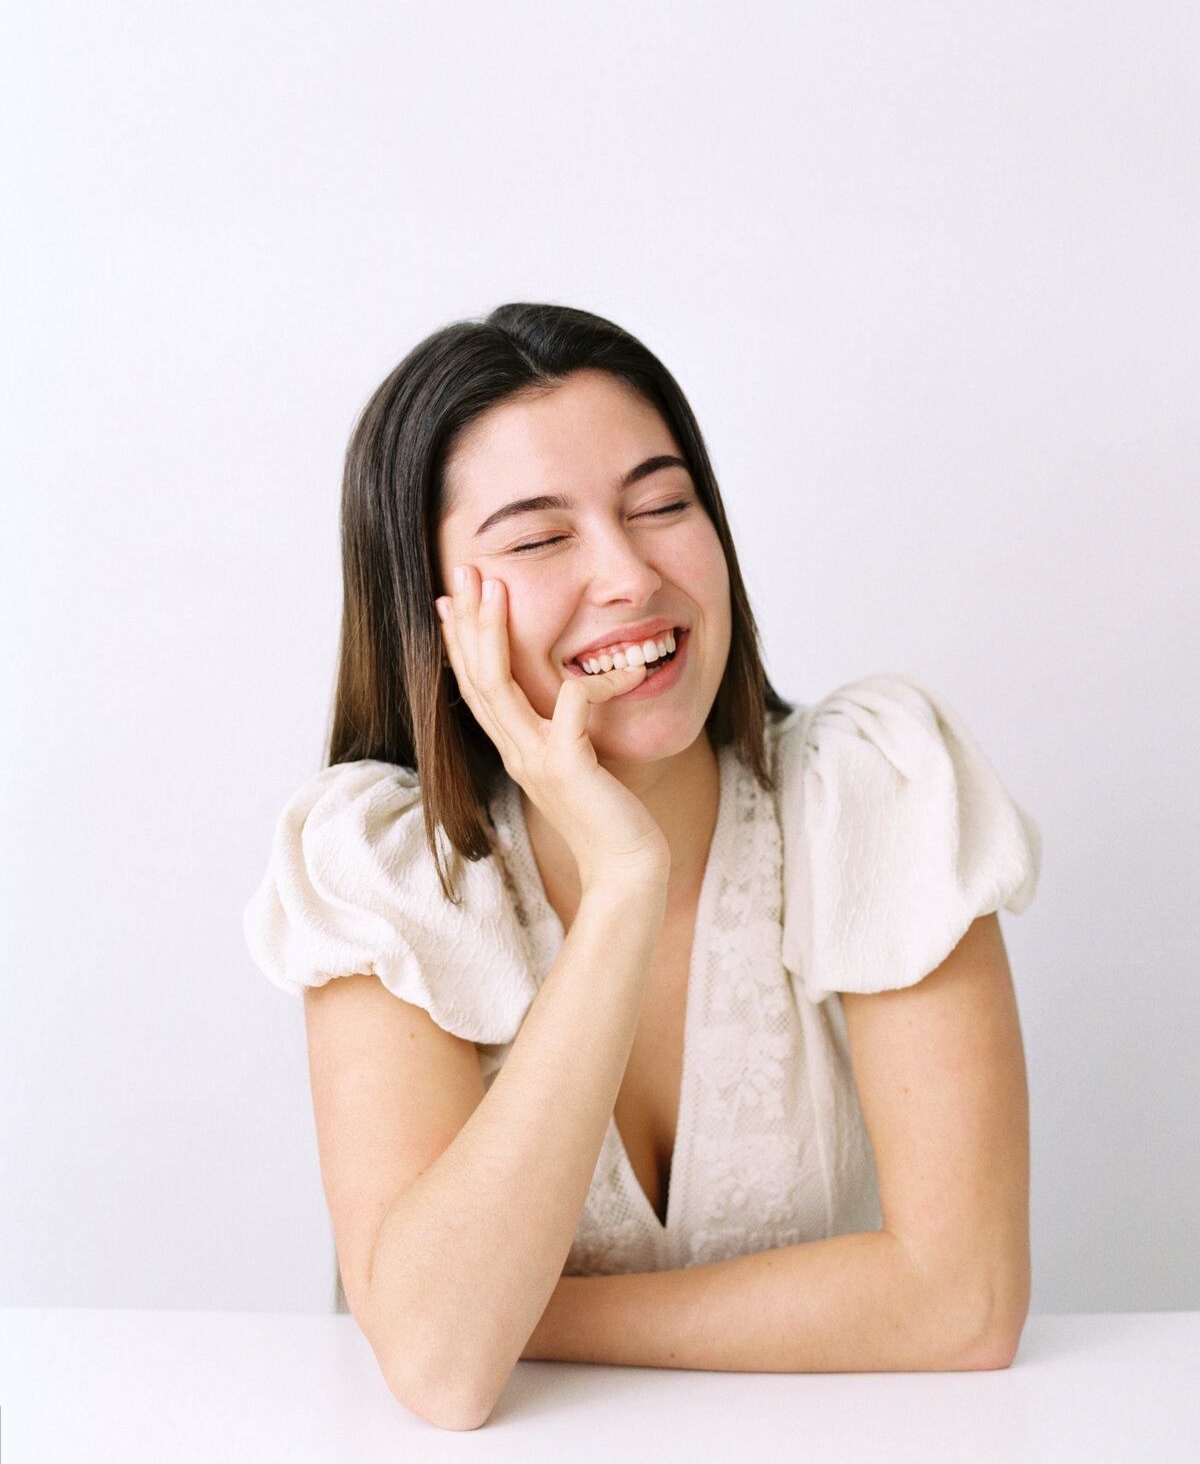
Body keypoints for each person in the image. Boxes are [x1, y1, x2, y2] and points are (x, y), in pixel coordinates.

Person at [244, 301, 1042, 1431]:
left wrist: (524, 1315)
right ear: (431, 613)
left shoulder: (874, 792)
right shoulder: (382, 869)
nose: (629, 574)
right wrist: (625, 881)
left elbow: (965, 1303)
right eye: (537, 538)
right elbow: (440, 1376)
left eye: (663, 505)